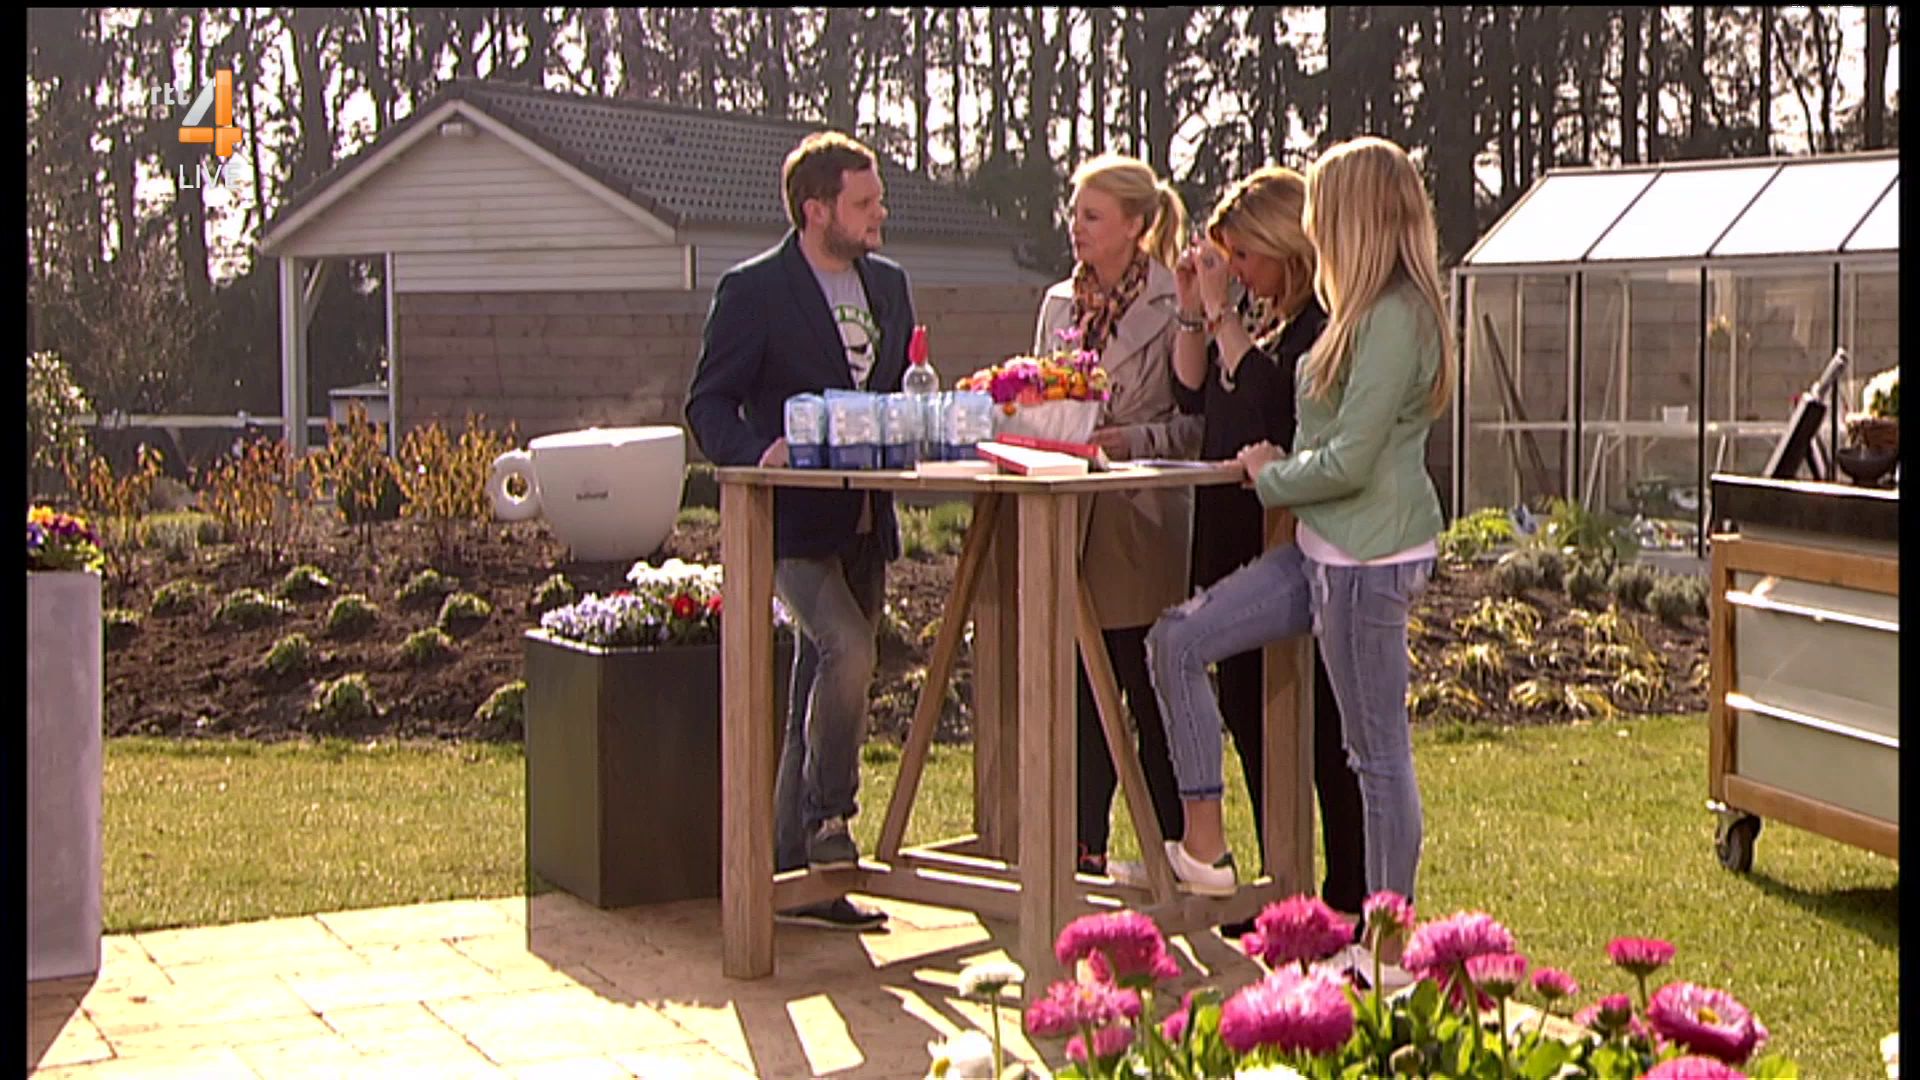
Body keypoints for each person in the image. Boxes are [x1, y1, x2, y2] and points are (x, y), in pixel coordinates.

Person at [1147, 137, 1453, 975]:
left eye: (1323, 206)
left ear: (1352, 215)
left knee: (1375, 757)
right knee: (1178, 639)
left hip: (1367, 559)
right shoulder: (1358, 309)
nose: (1313, 222)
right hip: (1320, 549)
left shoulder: (1395, 316)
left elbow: (1351, 459)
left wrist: (1270, 474)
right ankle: (1204, 843)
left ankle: (1385, 950)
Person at [684, 131, 916, 931]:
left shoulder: (890, 285)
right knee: (848, 649)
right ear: (817, 210)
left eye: (878, 199)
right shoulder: (754, 290)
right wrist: (761, 453)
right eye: (864, 202)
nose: (880, 213)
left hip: (866, 520)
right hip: (787, 522)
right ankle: (829, 822)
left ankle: (793, 880)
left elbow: (896, 390)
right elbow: (707, 404)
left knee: (813, 687)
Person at [1166, 166, 1367, 939]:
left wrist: (1223, 315)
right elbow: (1192, 395)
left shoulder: (1318, 328)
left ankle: (1346, 897)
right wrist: (1194, 309)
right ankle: (1280, 890)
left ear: (1287, 246)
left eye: (1245, 256)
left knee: (1320, 733)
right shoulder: (1264, 325)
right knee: (1249, 717)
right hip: (1227, 535)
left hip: (1283, 544)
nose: (1239, 272)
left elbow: (1272, 407)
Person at [1032, 152, 1201, 881]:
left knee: (1143, 683)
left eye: (1092, 216)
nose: (1077, 228)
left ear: (1135, 225)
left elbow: (1197, 424)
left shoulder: (1173, 303)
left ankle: (1178, 849)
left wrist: (1132, 440)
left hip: (1139, 521)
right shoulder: (1056, 305)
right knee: (1077, 684)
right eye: (1074, 213)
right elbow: (1038, 393)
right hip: (1070, 516)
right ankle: (1082, 849)